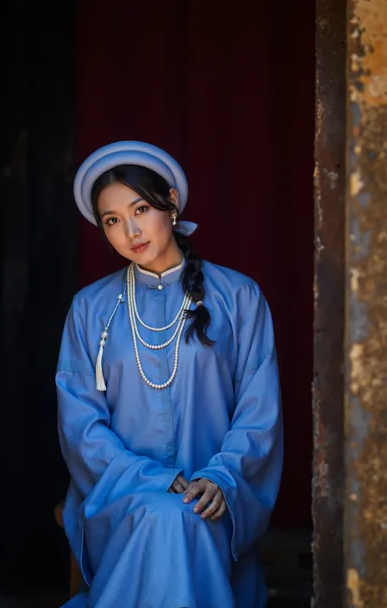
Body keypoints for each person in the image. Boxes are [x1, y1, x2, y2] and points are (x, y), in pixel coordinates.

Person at [57, 141, 283, 608]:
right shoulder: (90, 308)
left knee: (185, 515)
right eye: (113, 220)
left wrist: (222, 478)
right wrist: (149, 479)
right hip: (121, 496)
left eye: (140, 208)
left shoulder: (238, 297)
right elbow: (79, 426)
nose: (130, 231)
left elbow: (260, 412)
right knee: (169, 515)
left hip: (218, 497)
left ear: (172, 204)